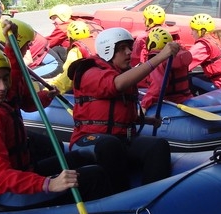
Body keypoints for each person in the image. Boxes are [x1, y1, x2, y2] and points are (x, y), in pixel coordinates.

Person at [0, 42, 110, 211]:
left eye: (5, 78)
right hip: (5, 195)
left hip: (21, 174)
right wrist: (50, 184)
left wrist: (11, 46)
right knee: (94, 176)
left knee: (84, 157)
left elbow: (16, 80)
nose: (3, 87)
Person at [68, 27, 179, 192]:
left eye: (129, 47)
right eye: (122, 48)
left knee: (158, 145)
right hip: (87, 140)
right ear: (108, 50)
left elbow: (119, 114)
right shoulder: (89, 72)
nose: (128, 52)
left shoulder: (122, 73)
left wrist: (147, 120)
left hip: (121, 140)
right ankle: (119, 196)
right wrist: (160, 57)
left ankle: (152, 195)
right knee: (110, 145)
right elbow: (116, 85)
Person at [140, 27, 193, 110]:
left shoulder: (158, 60)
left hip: (171, 102)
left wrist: (144, 105)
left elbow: (157, 87)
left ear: (152, 43)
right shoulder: (177, 56)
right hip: (185, 97)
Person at [188, 13, 221, 90]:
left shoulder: (203, 45)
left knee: (190, 79)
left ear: (201, 31)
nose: (191, 33)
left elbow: (186, 63)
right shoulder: (220, 37)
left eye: (193, 30)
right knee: (200, 75)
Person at [46, 21, 96, 94]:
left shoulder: (75, 51)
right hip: (96, 81)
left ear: (70, 36)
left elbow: (68, 77)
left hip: (88, 89)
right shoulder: (95, 42)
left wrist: (48, 89)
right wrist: (53, 79)